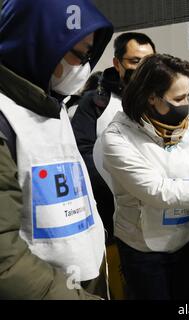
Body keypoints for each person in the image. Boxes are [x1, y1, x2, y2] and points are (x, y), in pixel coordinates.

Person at [100, 53, 189, 300]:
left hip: (184, 238)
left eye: (187, 96)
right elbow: (157, 190)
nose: (185, 104)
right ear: (151, 97)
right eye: (179, 98)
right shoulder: (117, 137)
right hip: (144, 248)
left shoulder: (179, 122)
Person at [0, 0, 113, 299]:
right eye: (79, 54)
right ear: (38, 43)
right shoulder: (6, 116)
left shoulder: (51, 103)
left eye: (90, 55)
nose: (86, 67)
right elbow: (5, 260)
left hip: (81, 280)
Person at [72, 32, 155, 238]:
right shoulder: (95, 102)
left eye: (149, 61)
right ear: (117, 63)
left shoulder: (162, 99)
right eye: (135, 61)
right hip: (110, 207)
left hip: (156, 206)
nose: (142, 68)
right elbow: (83, 152)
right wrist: (120, 185)